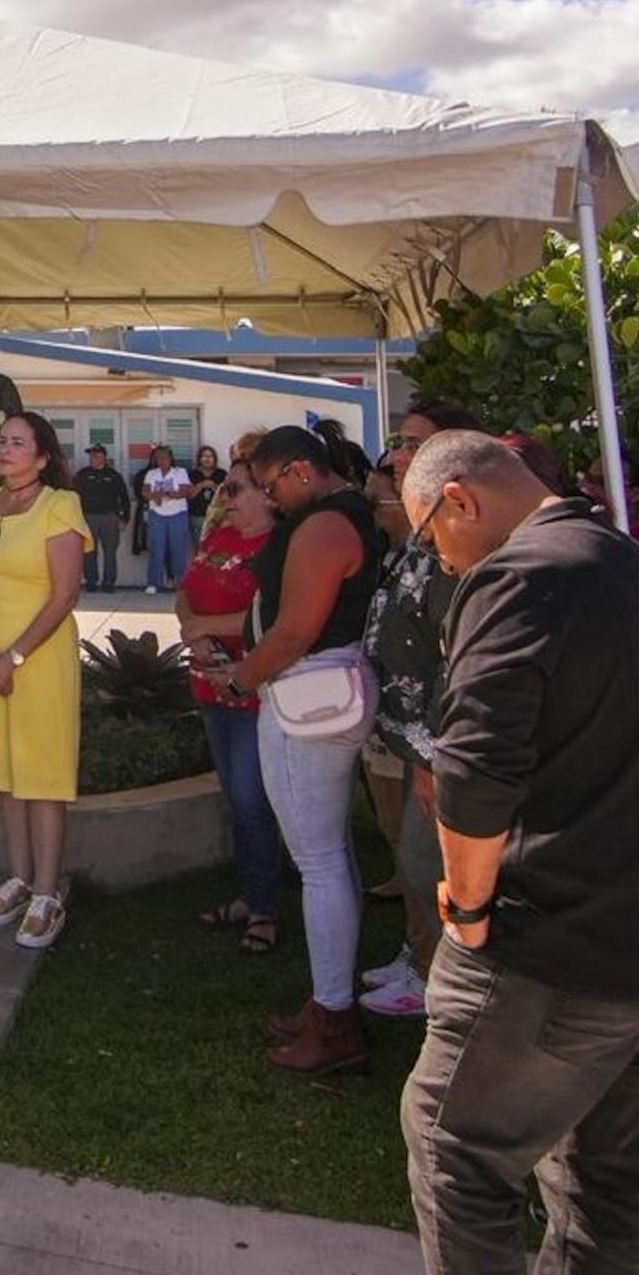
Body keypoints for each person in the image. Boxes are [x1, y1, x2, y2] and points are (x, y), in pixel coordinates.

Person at [394, 431, 639, 1275]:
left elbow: (473, 771)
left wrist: (466, 907)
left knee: (455, 1150)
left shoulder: (518, 577)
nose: (438, 556)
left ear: (458, 500)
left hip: (553, 941)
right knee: (600, 1183)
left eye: (429, 533)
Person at [217, 422, 387, 1074]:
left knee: (318, 863)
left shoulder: (323, 527)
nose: (267, 499)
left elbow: (293, 630)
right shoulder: (340, 517)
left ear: (297, 472)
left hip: (308, 695)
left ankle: (335, 1017)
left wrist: (243, 675)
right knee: (330, 857)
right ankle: (329, 1002)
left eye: (267, 486)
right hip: (323, 687)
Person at [357, 397, 486, 1021]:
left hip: (443, 746)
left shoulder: (466, 541)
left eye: (414, 444)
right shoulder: (423, 527)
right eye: (399, 443)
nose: (398, 456)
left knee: (431, 862)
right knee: (414, 860)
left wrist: (437, 755)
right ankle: (422, 963)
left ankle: (450, 998)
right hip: (414, 739)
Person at [0, 412, 91, 949]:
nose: (5, 449)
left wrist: (12, 658)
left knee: (43, 773)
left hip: (39, 659)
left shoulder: (60, 506)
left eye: (18, 442)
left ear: (41, 456)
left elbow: (64, 594)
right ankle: (18, 877)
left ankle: (48, 891)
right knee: (7, 773)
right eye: (2, 441)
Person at [176, 464, 284, 955]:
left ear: (267, 495)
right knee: (235, 796)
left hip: (252, 690)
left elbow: (272, 618)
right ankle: (250, 893)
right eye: (225, 487)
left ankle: (264, 907)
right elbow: (185, 590)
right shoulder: (218, 535)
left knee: (249, 797)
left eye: (236, 488)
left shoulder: (279, 548)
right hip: (208, 685)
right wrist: (192, 628)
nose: (226, 496)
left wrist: (204, 627)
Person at [71, 443, 129, 593]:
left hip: (110, 517)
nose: (92, 458)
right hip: (88, 517)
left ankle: (109, 582)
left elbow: (124, 498)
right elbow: (73, 497)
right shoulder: (82, 475)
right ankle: (91, 581)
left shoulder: (113, 476)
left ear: (103, 457)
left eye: (95, 455)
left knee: (110, 551)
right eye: (91, 455)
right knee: (89, 551)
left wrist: (124, 518)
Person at [140, 445, 196, 592]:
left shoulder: (180, 472)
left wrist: (169, 494)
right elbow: (144, 491)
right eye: (158, 458)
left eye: (164, 457)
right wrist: (154, 495)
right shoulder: (151, 474)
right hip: (157, 514)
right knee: (156, 548)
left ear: (170, 458)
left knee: (178, 549)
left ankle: (180, 582)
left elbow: (187, 490)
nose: (161, 460)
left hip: (177, 514)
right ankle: (153, 583)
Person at [188, 443, 222, 545]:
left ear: (214, 459)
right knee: (199, 546)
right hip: (198, 516)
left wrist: (214, 487)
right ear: (199, 459)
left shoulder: (221, 474)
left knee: (216, 547)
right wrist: (201, 485)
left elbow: (227, 496)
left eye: (210, 456)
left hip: (217, 516)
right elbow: (189, 495)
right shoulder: (192, 474)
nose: (207, 459)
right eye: (204, 456)